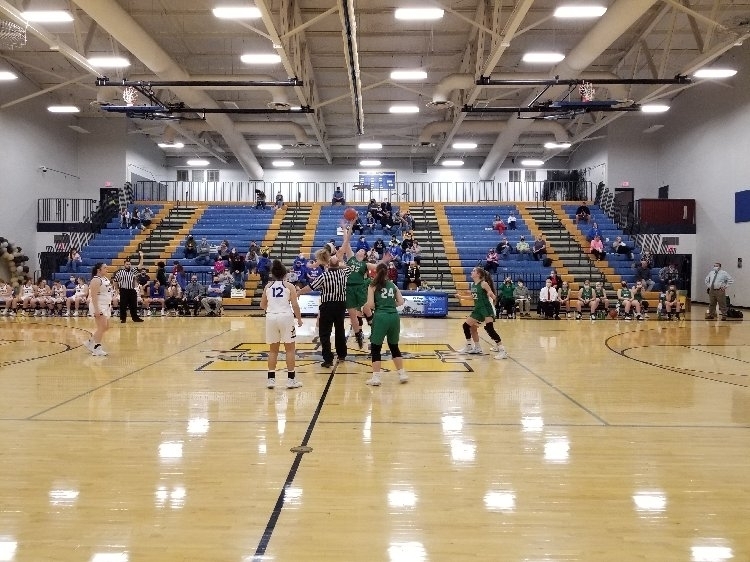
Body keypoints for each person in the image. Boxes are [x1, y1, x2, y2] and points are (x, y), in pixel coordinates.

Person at [299, 228, 353, 367]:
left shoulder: (324, 276)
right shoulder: (343, 273)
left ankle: (328, 359)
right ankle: (342, 355)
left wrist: (299, 293)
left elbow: (310, 287)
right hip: (340, 305)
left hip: (327, 305)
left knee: (325, 333)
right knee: (340, 331)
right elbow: (350, 267)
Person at [362, 263, 408, 386]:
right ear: (387, 272)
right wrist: (391, 305)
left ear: (376, 272)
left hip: (381, 317)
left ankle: (376, 378)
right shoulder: (393, 285)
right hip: (394, 317)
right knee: (394, 346)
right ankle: (402, 374)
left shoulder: (372, 285)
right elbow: (401, 301)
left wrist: (376, 305)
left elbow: (370, 305)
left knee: (376, 347)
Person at [261, 259, 303, 389]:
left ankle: (271, 380)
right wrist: (299, 319)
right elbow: (295, 305)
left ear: (272, 274)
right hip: (285, 317)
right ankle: (291, 380)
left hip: (271, 317)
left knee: (273, 350)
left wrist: (272, 308)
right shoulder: (289, 286)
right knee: (290, 349)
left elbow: (262, 305)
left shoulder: (268, 286)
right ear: (285, 274)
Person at [459, 267, 507, 359]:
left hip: (486, 309)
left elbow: (492, 294)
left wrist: (491, 295)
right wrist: (461, 297)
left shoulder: (483, 283)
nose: (471, 272)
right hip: (478, 310)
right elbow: (473, 297)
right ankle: (472, 346)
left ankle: (502, 351)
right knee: (466, 326)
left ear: (478, 274)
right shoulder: (473, 285)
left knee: (490, 329)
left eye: (474, 271)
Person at [84, 262, 113, 357]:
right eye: (105, 268)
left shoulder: (105, 279)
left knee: (106, 327)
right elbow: (94, 296)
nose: (107, 269)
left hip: (106, 305)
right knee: (102, 327)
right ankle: (96, 348)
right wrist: (97, 310)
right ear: (98, 270)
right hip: (98, 305)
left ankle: (90, 342)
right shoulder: (95, 280)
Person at [112, 253, 144, 323]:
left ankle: (135, 318)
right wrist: (117, 289)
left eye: (129, 264)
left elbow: (140, 265)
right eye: (127, 264)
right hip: (123, 290)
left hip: (131, 290)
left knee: (133, 305)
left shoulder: (133, 271)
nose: (128, 265)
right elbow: (115, 281)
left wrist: (141, 256)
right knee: (123, 305)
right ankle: (123, 319)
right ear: (124, 265)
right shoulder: (120, 272)